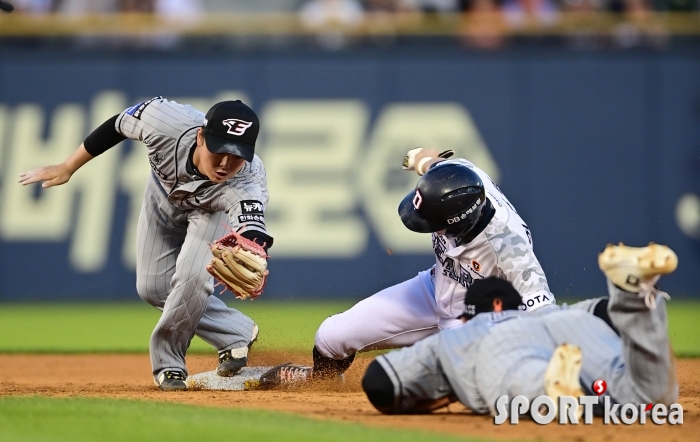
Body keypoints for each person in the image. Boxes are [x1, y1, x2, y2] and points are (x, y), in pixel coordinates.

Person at [18, 97, 272, 391]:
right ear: (201, 136)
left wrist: (252, 243)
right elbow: (116, 125)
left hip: (211, 210)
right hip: (162, 197)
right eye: (219, 151)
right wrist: (68, 166)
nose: (226, 163)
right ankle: (236, 332)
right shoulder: (165, 122)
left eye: (237, 154)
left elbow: (252, 224)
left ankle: (169, 365)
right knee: (153, 288)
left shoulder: (247, 179)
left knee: (192, 276)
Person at [261, 148, 556, 384]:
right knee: (331, 336)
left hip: (479, 322)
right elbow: (434, 161)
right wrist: (418, 158)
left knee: (446, 382)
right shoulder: (460, 176)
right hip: (435, 289)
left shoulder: (510, 250)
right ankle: (320, 383)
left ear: (459, 222)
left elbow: (547, 318)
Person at [361, 243, 679, 418]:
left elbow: (379, 381)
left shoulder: (462, 335)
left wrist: (434, 398)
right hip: (573, 327)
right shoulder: (563, 314)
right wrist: (625, 315)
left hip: (502, 346)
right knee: (651, 401)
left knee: (517, 379)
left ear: (493, 307)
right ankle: (636, 296)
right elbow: (606, 313)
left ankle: (549, 389)